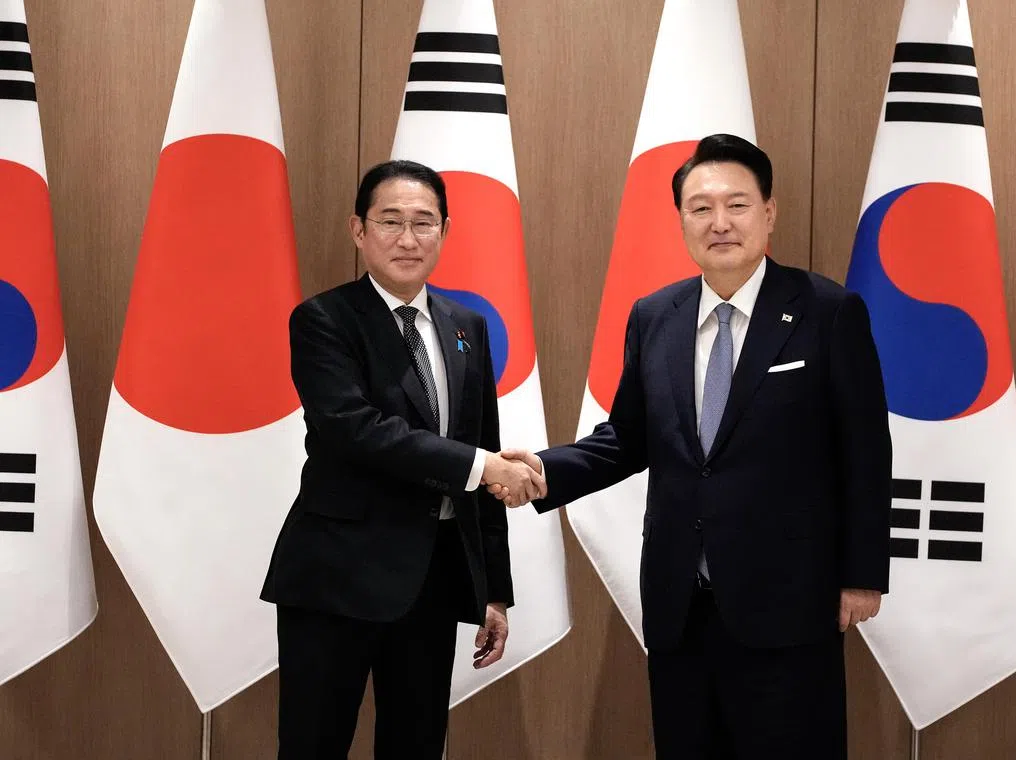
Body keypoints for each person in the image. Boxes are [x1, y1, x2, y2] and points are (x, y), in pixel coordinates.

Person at [496, 134, 892, 758]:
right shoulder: (656, 315)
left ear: (769, 213)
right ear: (681, 219)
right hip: (681, 603)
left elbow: (865, 453)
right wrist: (544, 470)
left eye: (737, 204)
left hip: (789, 602)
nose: (720, 223)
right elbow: (627, 437)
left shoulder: (827, 311)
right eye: (700, 207)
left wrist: (861, 575)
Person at [260, 160, 542, 759]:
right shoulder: (324, 320)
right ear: (358, 230)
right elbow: (355, 430)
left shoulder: (467, 326)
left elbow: (483, 445)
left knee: (416, 746)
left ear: (444, 231)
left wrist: (493, 589)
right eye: (390, 222)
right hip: (336, 577)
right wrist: (481, 466)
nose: (408, 239)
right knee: (314, 744)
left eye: (424, 223)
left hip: (433, 582)